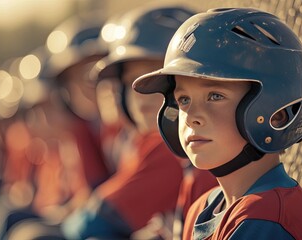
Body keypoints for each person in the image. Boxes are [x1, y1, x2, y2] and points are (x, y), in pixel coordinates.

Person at [133, 8, 302, 240]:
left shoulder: (264, 217)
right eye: (184, 99)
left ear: (276, 115)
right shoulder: (203, 207)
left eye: (215, 96)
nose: (191, 116)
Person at [61, 5, 209, 239]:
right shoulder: (151, 140)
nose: (141, 92)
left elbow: (94, 221)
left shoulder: (173, 149)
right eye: (131, 80)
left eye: (156, 76)